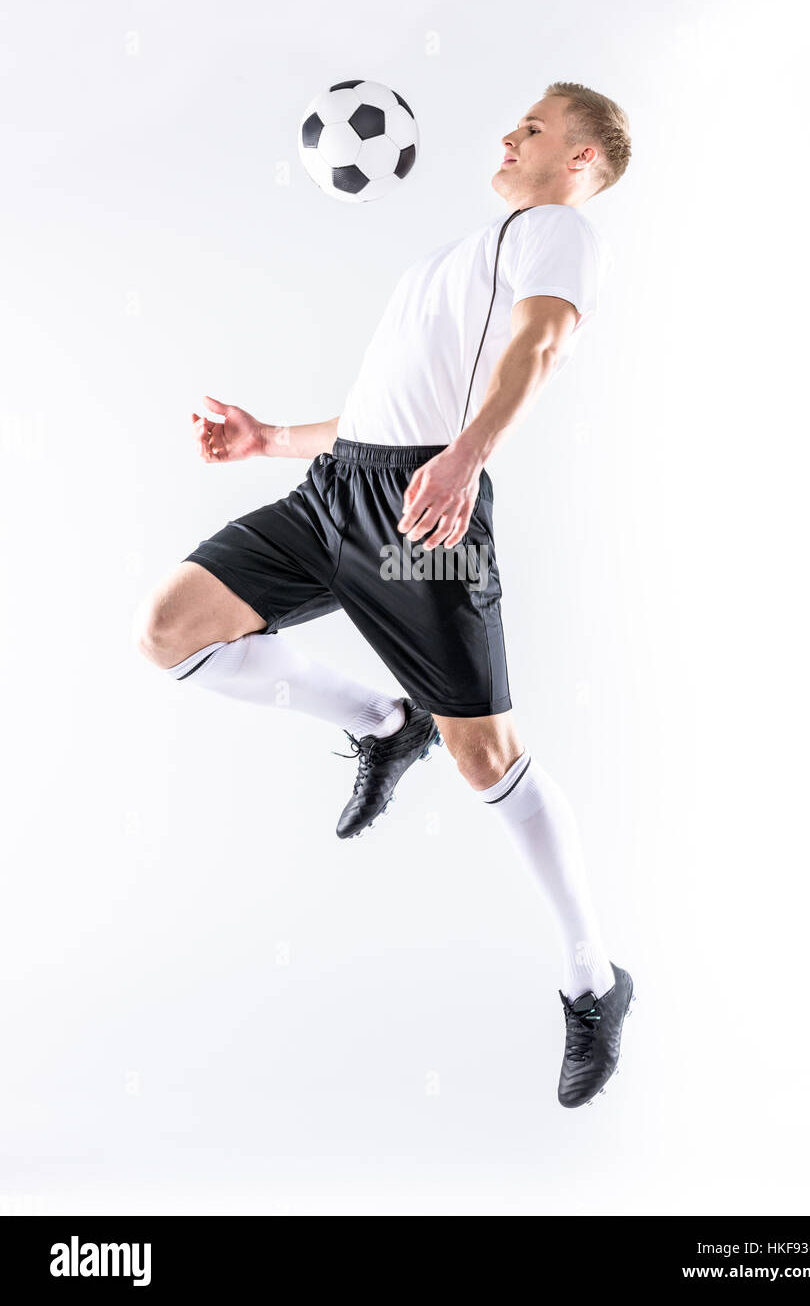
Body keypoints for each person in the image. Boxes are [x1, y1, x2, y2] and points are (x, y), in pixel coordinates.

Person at [133, 80, 634, 1107]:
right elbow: (382, 409)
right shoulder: (463, 257)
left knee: (486, 756)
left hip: (419, 522)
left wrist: (467, 456)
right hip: (336, 493)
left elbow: (540, 346)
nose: (510, 133)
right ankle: (380, 720)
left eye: (534, 128)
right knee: (172, 629)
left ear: (582, 159)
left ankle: (594, 981)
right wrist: (272, 439)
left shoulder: (557, 234)